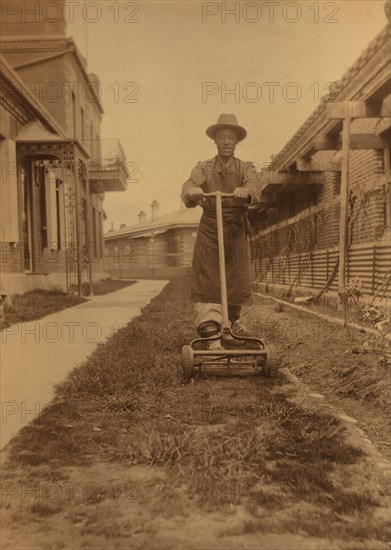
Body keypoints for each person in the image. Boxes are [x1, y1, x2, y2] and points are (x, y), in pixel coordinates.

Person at [181, 113, 262, 348]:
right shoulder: (204, 167)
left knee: (236, 278)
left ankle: (228, 323)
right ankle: (211, 330)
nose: (226, 141)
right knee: (208, 276)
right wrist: (192, 191)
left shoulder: (245, 167)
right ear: (215, 141)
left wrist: (246, 192)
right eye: (222, 137)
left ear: (237, 142)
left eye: (231, 137)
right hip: (210, 227)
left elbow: (255, 185)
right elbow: (189, 183)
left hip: (236, 226)